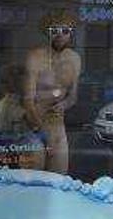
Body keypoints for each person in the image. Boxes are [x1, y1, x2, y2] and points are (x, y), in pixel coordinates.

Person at [23, 10, 81, 174]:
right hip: (35, 127)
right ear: (47, 33)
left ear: (71, 34)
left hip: (58, 129)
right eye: (54, 31)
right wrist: (42, 134)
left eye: (65, 31)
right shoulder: (35, 57)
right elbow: (28, 101)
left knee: (59, 183)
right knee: (33, 183)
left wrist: (64, 104)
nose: (59, 35)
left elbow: (73, 96)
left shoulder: (75, 59)